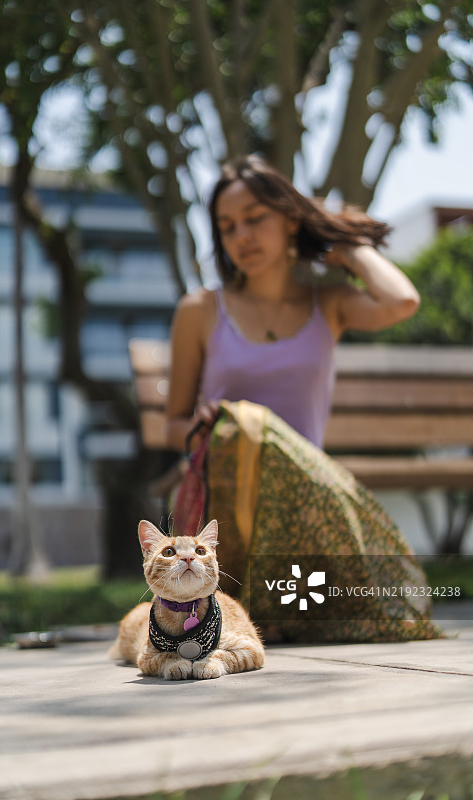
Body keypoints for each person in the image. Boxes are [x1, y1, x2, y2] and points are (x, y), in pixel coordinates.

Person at [166, 154, 442, 644]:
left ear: (290, 220)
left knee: (373, 615)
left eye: (256, 218)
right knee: (249, 431)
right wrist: (203, 422)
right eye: (228, 227)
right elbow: (171, 425)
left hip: (305, 494)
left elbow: (402, 300)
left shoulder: (328, 303)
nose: (242, 236)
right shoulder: (201, 310)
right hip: (227, 498)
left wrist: (344, 246)